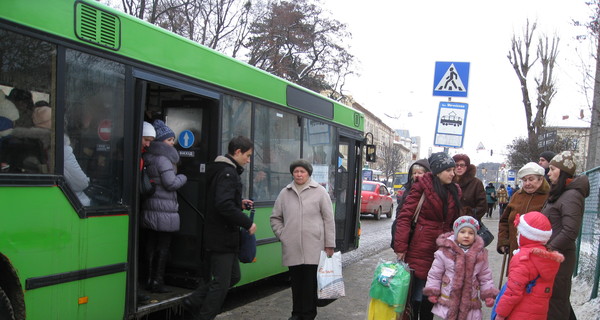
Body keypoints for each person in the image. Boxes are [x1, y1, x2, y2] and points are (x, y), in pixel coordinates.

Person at [183, 136, 256, 320]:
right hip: (222, 236)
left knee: (233, 277)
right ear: (237, 152)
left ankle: (194, 300)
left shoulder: (221, 170)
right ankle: (203, 315)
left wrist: (238, 204)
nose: (248, 160)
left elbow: (220, 200)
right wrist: (247, 222)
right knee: (221, 284)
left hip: (222, 235)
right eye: (247, 156)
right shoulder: (228, 173)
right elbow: (223, 205)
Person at [393, 152, 462, 320]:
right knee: (416, 296)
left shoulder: (455, 191)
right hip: (419, 248)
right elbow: (404, 217)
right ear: (438, 171)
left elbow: (455, 223)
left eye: (453, 170)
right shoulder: (420, 186)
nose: (453, 174)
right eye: (449, 170)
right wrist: (400, 247)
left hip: (442, 252)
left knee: (431, 298)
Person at [270, 159, 335, 320]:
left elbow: (328, 219)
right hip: (292, 247)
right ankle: (296, 314)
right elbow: (275, 218)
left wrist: (329, 244)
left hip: (314, 247)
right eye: (296, 171)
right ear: (292, 173)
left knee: (310, 285)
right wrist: (282, 234)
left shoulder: (320, 191)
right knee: (296, 285)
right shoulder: (285, 193)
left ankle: (308, 315)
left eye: (302, 171)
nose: (299, 174)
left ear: (308, 173)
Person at [541, 151, 590, 320]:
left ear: (562, 171)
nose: (548, 172)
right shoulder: (561, 192)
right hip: (553, 256)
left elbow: (570, 231)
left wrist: (548, 250)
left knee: (557, 300)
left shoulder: (571, 195)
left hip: (560, 257)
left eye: (552, 169)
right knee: (555, 299)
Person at [142, 120, 187, 293]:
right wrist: (183, 177)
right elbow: (170, 183)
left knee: (150, 245)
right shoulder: (164, 159)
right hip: (164, 211)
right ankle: (157, 281)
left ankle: (147, 279)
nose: (172, 143)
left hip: (150, 208)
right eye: (169, 140)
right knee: (163, 246)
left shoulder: (148, 157)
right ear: (161, 141)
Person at [423, 216, 498, 319]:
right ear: (456, 233)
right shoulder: (445, 251)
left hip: (470, 300)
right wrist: (433, 291)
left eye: (471, 233)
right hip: (448, 299)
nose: (466, 236)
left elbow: (485, 276)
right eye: (462, 232)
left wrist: (488, 294)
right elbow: (435, 274)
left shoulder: (480, 254)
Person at [494, 211, 564, 320]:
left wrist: (500, 314)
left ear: (526, 236)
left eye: (519, 233)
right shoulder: (548, 258)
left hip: (519, 314)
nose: (517, 235)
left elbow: (513, 293)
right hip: (539, 314)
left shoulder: (523, 259)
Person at [497, 162, 549, 261]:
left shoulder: (548, 197)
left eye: (531, 179)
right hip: (515, 250)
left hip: (537, 254)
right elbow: (504, 221)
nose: (527, 183)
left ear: (541, 179)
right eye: (524, 180)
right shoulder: (517, 195)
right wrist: (503, 241)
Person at [452, 154, 487, 221]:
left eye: (462, 165)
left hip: (468, 224)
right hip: (449, 224)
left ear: (467, 167)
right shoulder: (448, 182)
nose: (459, 167)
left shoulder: (476, 183)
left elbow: (482, 206)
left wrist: (467, 215)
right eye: (456, 165)